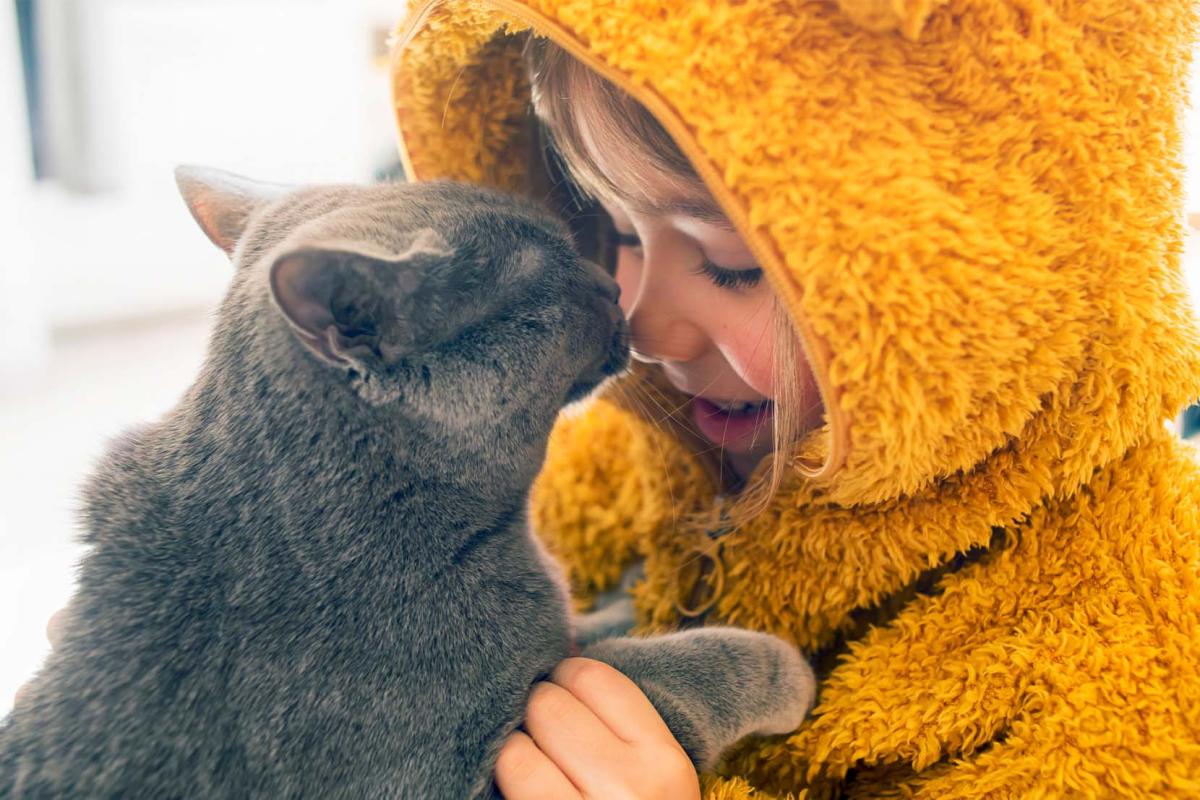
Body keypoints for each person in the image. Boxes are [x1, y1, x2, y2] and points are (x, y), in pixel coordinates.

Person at [391, 1, 1200, 797]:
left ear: (988, 274)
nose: (647, 330)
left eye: (734, 264)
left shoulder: (1146, 654)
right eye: (621, 233)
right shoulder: (627, 466)